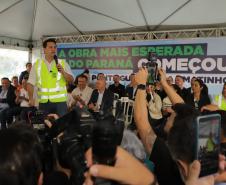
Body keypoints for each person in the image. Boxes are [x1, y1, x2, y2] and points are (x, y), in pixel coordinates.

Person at [27, 38, 74, 116]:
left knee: (61, 126)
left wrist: (63, 72)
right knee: (45, 125)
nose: (53, 49)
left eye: (55, 47)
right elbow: (30, 83)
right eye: (50, 47)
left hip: (60, 103)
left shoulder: (62, 63)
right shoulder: (37, 64)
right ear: (44, 49)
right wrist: (31, 98)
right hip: (43, 102)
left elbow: (71, 80)